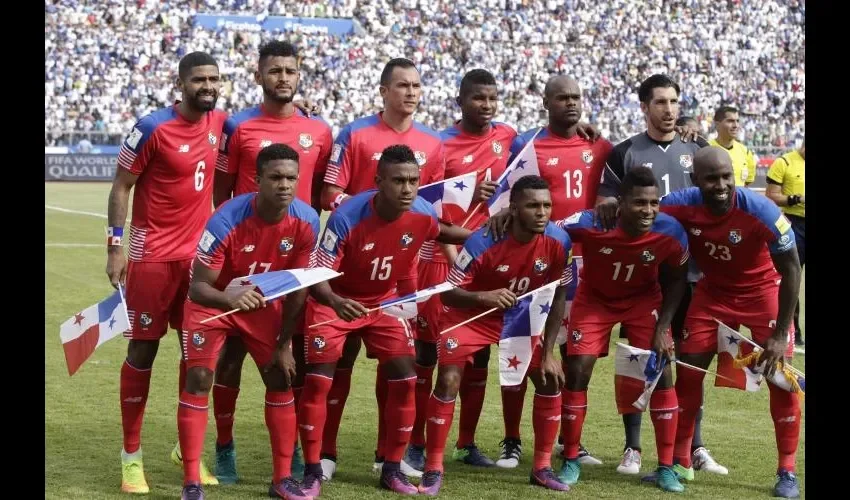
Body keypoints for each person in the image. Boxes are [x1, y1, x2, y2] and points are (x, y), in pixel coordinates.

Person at [298, 145, 470, 496]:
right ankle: (313, 469)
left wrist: (491, 233)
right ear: (379, 182)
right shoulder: (347, 216)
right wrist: (335, 301)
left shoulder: (420, 211)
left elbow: (445, 232)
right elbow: (316, 275)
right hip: (335, 301)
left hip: (384, 304)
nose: (407, 189)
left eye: (413, 181)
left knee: (406, 378)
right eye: (398, 181)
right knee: (318, 383)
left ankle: (391, 468)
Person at [209, 40, 332, 484]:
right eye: (275, 70)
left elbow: (318, 194)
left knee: (289, 356)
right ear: (260, 75)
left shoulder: (319, 131)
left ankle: (292, 448)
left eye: (290, 70)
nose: (283, 77)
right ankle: (224, 446)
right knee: (230, 359)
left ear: (300, 75)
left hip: (292, 257)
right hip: (241, 257)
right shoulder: (238, 124)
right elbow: (221, 191)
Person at [318, 57, 446, 481]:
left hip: (397, 274)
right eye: (402, 85)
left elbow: (432, 211)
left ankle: (385, 454)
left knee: (397, 363)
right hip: (349, 265)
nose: (410, 92)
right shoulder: (354, 133)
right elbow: (330, 192)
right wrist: (366, 220)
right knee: (340, 364)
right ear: (383, 90)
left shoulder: (432, 143)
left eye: (416, 85)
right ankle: (326, 453)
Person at [106, 51, 227, 494]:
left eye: (214, 79)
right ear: (181, 84)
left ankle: (186, 450)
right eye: (199, 79)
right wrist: (115, 248)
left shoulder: (220, 123)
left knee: (197, 356)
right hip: (153, 257)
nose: (207, 86)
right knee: (143, 352)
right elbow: (121, 186)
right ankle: (131, 458)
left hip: (199, 263)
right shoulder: (151, 128)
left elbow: (257, 125)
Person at [595, 74, 726, 477]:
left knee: (691, 362)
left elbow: (719, 196)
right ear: (644, 107)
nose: (668, 109)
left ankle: (694, 446)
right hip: (644, 276)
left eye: (674, 101)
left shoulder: (697, 147)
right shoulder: (624, 153)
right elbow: (604, 203)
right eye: (660, 103)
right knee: (640, 360)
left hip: (692, 274)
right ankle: (632, 447)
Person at [177, 144, 320, 500]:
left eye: (290, 177)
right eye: (275, 177)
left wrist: (285, 343)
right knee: (199, 376)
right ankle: (192, 481)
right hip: (215, 303)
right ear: (257, 181)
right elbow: (197, 288)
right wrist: (230, 298)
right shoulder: (226, 219)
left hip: (260, 305)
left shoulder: (307, 220)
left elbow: (299, 289)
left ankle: (281, 479)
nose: (284, 185)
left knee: (279, 375)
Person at [661, 147, 802, 498]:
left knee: (780, 379)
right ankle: (681, 462)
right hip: (713, 295)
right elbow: (639, 208)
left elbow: (792, 269)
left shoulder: (762, 211)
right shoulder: (678, 203)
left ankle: (787, 470)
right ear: (696, 181)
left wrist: (780, 332)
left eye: (727, 177)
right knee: (689, 373)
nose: (721, 185)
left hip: (762, 294)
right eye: (712, 178)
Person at [419, 175, 571, 495]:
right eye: (532, 206)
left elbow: (558, 295)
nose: (541, 212)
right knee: (448, 379)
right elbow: (449, 294)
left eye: (546, 205)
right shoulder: (483, 240)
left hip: (518, 318)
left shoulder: (559, 241)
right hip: (470, 316)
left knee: (548, 377)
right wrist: (483, 297)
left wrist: (548, 353)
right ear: (513, 209)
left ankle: (541, 468)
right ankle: (433, 468)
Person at [555, 166, 689, 493]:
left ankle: (666, 467)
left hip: (644, 302)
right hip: (594, 301)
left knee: (662, 373)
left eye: (653, 203)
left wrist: (663, 327)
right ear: (622, 202)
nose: (648, 210)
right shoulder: (594, 222)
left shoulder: (670, 230)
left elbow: (677, 281)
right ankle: (570, 458)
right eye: (639, 203)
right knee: (578, 371)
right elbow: (552, 229)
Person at [765, 140, 805, 348]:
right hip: (794, 224)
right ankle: (792, 330)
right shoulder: (785, 162)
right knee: (791, 275)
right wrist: (796, 199)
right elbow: (771, 195)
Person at [708, 106, 758, 187]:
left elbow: (747, 183)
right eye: (730, 121)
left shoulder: (746, 152)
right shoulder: (706, 149)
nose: (736, 125)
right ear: (717, 125)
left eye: (737, 121)